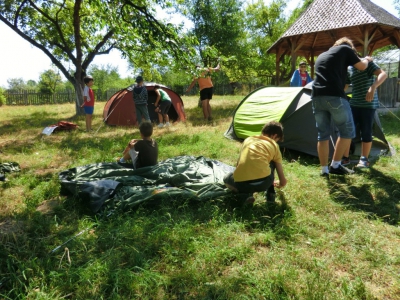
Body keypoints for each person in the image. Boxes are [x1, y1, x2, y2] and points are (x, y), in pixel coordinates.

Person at [311, 37, 373, 176]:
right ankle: (335, 165)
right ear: (350, 48)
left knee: (323, 135)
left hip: (316, 96)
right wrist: (367, 59)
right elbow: (362, 66)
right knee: (348, 132)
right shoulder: (346, 49)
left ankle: (324, 170)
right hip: (334, 96)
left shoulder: (322, 55)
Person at [223, 121, 287, 204]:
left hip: (242, 183)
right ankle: (270, 195)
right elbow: (283, 181)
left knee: (227, 178)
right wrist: (280, 183)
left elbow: (238, 164)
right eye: (277, 140)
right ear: (274, 136)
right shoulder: (274, 145)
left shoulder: (248, 140)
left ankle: (245, 194)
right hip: (264, 183)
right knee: (273, 160)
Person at [341, 60, 387, 168]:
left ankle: (364, 159)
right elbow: (345, 86)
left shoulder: (368, 64)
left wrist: (373, 87)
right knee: (348, 131)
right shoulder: (349, 68)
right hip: (353, 104)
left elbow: (383, 74)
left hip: (368, 105)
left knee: (366, 131)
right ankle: (345, 158)